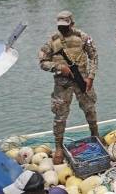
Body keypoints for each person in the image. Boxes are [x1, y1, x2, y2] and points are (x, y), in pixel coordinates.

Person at [38, 11, 98, 164]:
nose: (63, 29)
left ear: (72, 23)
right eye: (60, 26)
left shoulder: (83, 37)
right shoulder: (53, 41)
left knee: (90, 110)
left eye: (66, 26)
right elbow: (42, 62)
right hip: (62, 85)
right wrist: (58, 67)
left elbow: (94, 56)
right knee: (60, 117)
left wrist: (90, 76)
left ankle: (95, 136)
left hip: (83, 81)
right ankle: (58, 147)